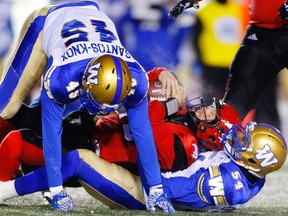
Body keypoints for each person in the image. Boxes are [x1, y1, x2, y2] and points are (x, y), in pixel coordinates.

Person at [0, 1, 175, 213]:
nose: (105, 111)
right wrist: (56, 189)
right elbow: (52, 132)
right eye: (100, 101)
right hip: (48, 23)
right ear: (85, 83)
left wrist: (155, 188)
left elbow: (143, 133)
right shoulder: (61, 78)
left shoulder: (136, 80)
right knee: (6, 108)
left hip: (91, 20)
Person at [0, 122, 286, 212]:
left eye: (243, 141)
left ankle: (6, 190)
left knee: (79, 159)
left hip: (145, 193)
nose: (236, 138)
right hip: (164, 185)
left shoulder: (220, 181)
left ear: (251, 159)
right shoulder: (252, 174)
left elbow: (162, 189)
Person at [169, 0, 288, 132]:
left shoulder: (236, 8)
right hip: (256, 39)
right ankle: (219, 145)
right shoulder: (210, 10)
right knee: (232, 107)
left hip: (262, 38)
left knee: (262, 103)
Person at [190, 0, 247, 101]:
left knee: (232, 102)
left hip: (233, 65)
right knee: (210, 102)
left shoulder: (239, 8)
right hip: (211, 65)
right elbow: (195, 38)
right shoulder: (203, 10)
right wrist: (199, 60)